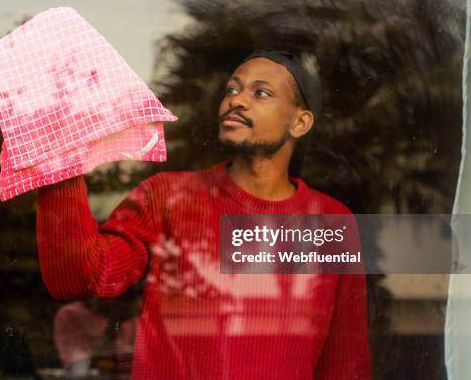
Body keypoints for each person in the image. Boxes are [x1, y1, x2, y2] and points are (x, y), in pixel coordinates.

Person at [36, 50, 372, 379]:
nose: (237, 100)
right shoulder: (167, 196)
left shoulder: (331, 222)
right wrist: (59, 161)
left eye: (261, 93)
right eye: (232, 89)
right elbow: (80, 275)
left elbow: (346, 362)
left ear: (300, 122)